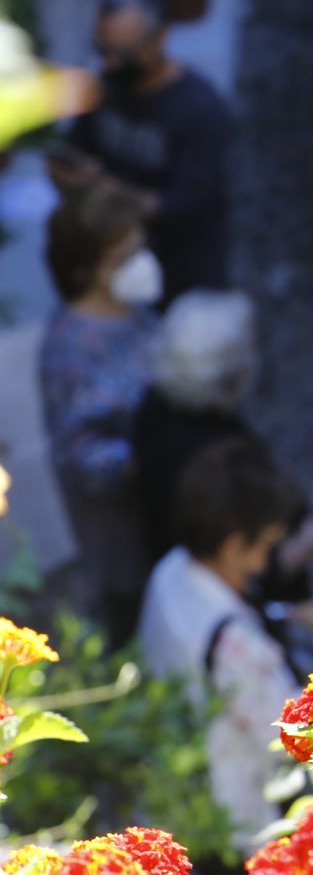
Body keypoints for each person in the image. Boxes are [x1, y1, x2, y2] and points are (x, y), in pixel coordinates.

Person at [139, 436, 313, 859]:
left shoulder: (172, 568)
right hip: (238, 812)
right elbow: (296, 737)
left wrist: (292, 614)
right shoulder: (234, 646)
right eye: (268, 545)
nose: (268, 558)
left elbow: (224, 614)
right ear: (235, 546)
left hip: (183, 746)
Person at [131, 290, 313, 620]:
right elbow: (237, 565)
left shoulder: (155, 405)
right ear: (233, 374)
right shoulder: (219, 465)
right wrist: (307, 547)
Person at [52, 0, 233, 304]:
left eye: (123, 53)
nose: (111, 63)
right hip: (109, 269)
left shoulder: (200, 111)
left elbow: (186, 207)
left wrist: (106, 191)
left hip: (177, 274)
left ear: (161, 38)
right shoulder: (107, 86)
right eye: (102, 49)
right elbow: (76, 148)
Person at [39, 179, 162, 643]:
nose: (140, 265)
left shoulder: (134, 310)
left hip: (157, 507)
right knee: (131, 616)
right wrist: (148, 455)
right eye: (122, 258)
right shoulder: (70, 351)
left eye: (139, 248)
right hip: (119, 529)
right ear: (84, 270)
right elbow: (78, 455)